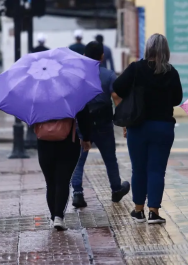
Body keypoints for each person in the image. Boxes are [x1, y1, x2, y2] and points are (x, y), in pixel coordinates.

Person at [113, 33, 183, 224]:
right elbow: (177, 99)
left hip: (138, 127)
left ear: (148, 49)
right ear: (165, 51)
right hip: (163, 127)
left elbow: (117, 87)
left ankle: (138, 210)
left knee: (139, 169)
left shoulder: (136, 68)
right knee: (157, 170)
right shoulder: (171, 72)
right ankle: (154, 211)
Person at [71, 41, 130, 208]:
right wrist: (124, 123)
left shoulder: (77, 75)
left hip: (82, 124)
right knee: (110, 158)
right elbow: (117, 99)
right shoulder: (109, 75)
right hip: (103, 123)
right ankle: (116, 189)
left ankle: (77, 194)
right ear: (102, 57)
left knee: (78, 160)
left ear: (84, 56)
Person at [38, 108, 92, 231]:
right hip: (68, 143)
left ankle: (54, 217)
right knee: (62, 181)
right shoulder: (72, 94)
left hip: (44, 144)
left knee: (50, 183)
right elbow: (84, 116)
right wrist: (86, 138)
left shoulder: (38, 97)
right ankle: (58, 217)